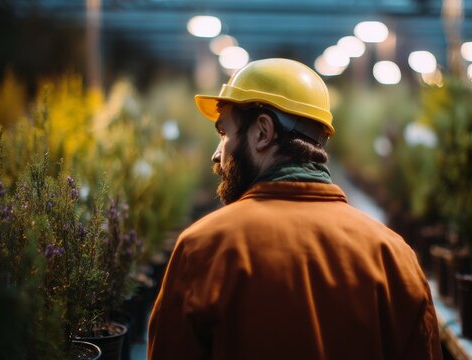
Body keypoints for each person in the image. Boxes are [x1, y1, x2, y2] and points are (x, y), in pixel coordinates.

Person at [147, 58, 442, 360]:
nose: (216, 154)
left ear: (262, 132)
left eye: (224, 133)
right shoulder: (393, 258)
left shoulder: (202, 249)